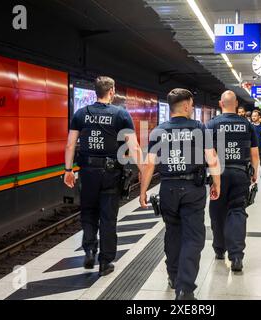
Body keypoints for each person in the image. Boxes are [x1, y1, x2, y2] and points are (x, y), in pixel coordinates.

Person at [140, 88, 221, 300]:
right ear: (185, 106)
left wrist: (142, 192)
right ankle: (185, 288)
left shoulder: (159, 131)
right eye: (192, 105)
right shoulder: (199, 128)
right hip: (193, 189)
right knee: (193, 237)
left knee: (173, 233)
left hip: (167, 188)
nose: (192, 108)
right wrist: (216, 183)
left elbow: (149, 164)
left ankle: (173, 276)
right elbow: (212, 159)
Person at [64, 76, 143, 274]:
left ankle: (89, 249)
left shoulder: (81, 114)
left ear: (95, 92)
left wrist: (68, 170)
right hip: (110, 173)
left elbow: (70, 144)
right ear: (112, 91)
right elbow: (134, 147)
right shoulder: (121, 115)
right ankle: (105, 262)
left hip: (87, 172)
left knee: (88, 212)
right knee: (108, 218)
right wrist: (143, 171)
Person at [206, 90, 259, 272]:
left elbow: (206, 154)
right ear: (236, 104)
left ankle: (219, 249)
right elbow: (254, 154)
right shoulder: (247, 125)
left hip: (217, 174)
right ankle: (236, 257)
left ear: (221, 104)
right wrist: (255, 173)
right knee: (237, 212)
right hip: (240, 174)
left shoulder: (211, 125)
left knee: (217, 212)